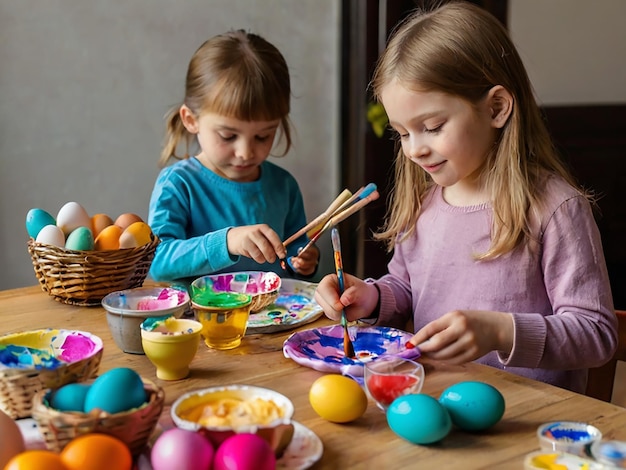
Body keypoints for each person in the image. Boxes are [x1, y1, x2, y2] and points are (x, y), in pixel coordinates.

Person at [314, 1, 617, 394]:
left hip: (527, 423)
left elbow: (596, 334)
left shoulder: (554, 208)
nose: (414, 150)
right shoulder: (425, 202)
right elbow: (406, 289)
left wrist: (500, 332)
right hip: (436, 404)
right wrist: (371, 297)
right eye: (402, 133)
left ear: (496, 108)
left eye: (433, 126)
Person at [148, 30, 319, 283]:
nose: (246, 152)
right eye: (228, 136)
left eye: (263, 136)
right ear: (191, 120)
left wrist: (304, 260)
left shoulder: (284, 186)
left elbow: (294, 252)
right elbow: (158, 261)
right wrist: (227, 242)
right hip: (199, 321)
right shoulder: (178, 184)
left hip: (276, 318)